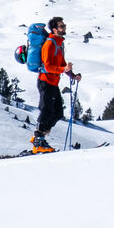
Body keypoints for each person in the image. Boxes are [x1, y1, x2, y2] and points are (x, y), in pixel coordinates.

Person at [31, 16, 81, 152]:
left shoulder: (59, 44)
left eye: (64, 26)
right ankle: (38, 141)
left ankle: (40, 136)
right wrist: (63, 69)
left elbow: (62, 65)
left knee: (58, 113)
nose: (64, 28)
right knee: (46, 110)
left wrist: (72, 75)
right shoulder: (49, 44)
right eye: (61, 26)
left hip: (53, 82)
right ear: (54, 29)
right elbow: (47, 66)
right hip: (45, 81)